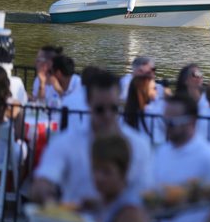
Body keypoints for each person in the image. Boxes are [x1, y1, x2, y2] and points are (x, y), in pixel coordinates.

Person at [32, 71, 152, 205]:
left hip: (120, 221)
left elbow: (145, 192)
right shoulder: (67, 142)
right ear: (88, 103)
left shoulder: (138, 144)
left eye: (113, 108)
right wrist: (47, 198)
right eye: (100, 109)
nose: (107, 115)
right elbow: (44, 179)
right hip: (76, 221)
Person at [152, 94, 210, 222]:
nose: (167, 127)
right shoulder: (162, 152)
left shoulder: (208, 157)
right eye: (164, 121)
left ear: (191, 121)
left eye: (172, 122)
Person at [88, 136, 148, 222]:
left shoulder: (130, 212)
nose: (98, 178)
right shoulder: (106, 200)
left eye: (106, 171)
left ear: (123, 172)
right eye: (95, 169)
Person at [123, 74, 159, 142]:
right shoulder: (155, 113)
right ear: (144, 91)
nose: (157, 91)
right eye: (154, 88)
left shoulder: (122, 115)